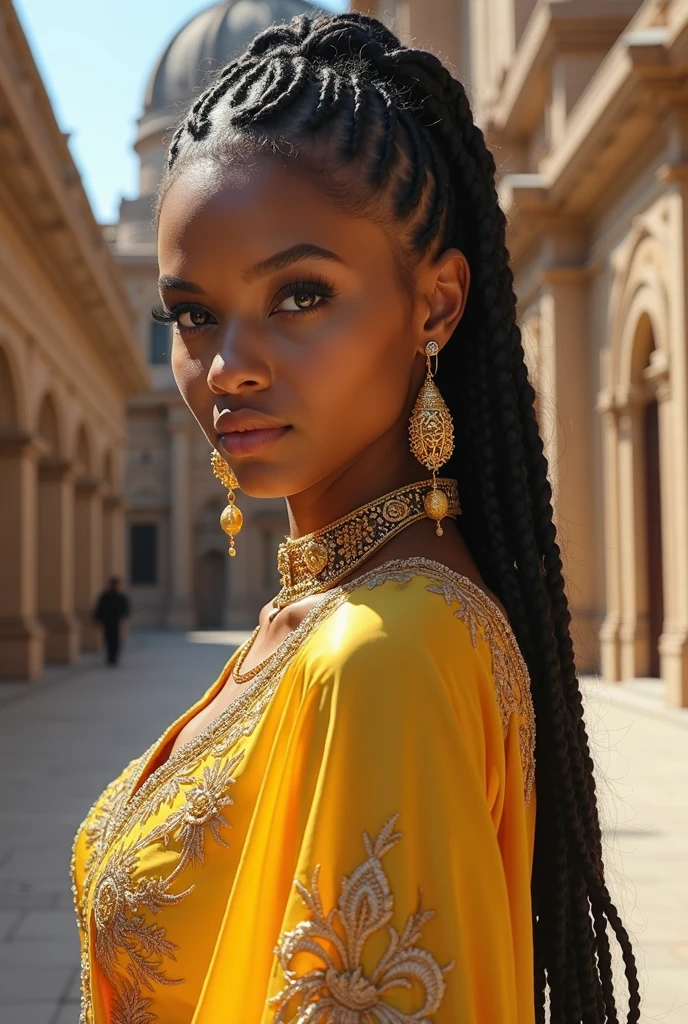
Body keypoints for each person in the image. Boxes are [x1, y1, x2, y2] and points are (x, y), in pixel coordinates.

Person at [71, 12, 640, 1023]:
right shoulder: (345, 605)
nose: (227, 366)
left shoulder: (386, 652)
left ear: (435, 303)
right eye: (191, 313)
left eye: (298, 293)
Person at [92, 577, 130, 666]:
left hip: (115, 622)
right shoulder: (106, 596)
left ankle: (113, 658)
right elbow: (99, 609)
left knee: (115, 640)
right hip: (108, 622)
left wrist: (122, 616)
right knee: (109, 640)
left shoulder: (119, 597)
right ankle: (110, 657)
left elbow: (125, 609)